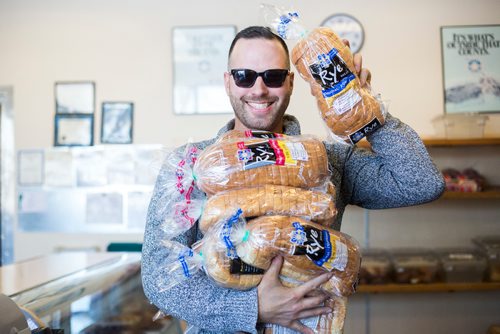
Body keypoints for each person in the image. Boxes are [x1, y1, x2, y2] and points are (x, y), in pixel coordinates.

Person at [141, 26, 445, 334]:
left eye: (272, 76)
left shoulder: (328, 160)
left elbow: (421, 183)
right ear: (228, 82)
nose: (258, 89)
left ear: (290, 82)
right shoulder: (192, 164)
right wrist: (253, 308)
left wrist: (367, 114)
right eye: (244, 76)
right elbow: (159, 277)